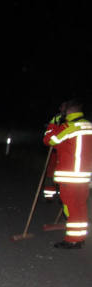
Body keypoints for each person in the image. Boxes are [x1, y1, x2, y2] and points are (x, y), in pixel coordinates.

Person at [43, 99, 92, 249]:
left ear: (68, 111)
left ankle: (72, 240)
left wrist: (52, 124)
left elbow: (49, 140)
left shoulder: (69, 127)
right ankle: (79, 237)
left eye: (63, 110)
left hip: (71, 176)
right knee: (80, 207)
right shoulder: (89, 125)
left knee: (71, 208)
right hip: (84, 176)